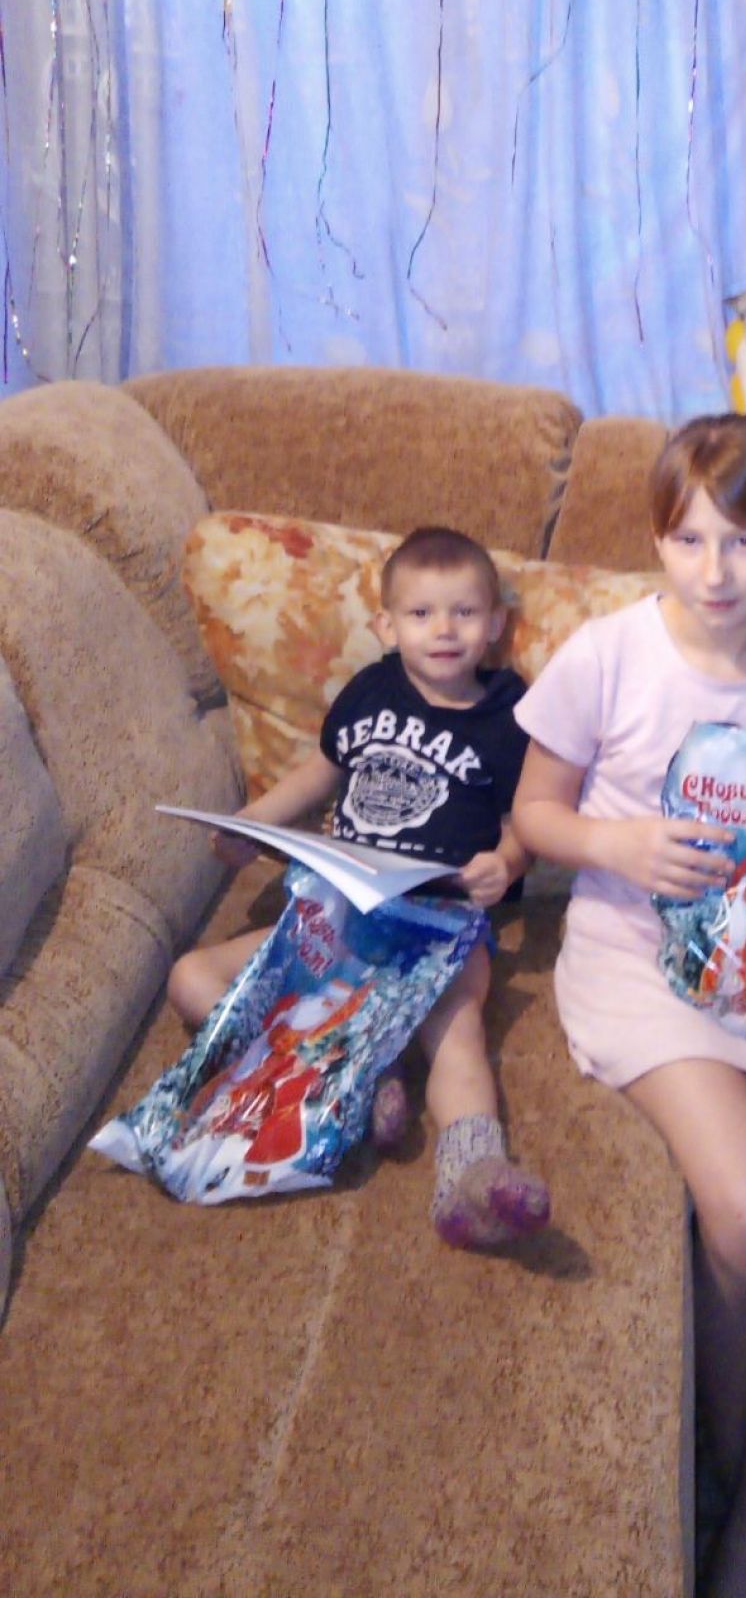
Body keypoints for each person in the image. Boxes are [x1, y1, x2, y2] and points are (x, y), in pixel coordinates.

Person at [509, 413, 746, 1598]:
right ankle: (738, 1463)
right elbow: (535, 813)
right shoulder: (608, 653)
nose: (715, 570)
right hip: (643, 957)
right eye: (689, 539)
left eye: (745, 541)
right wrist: (613, 840)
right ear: (657, 540)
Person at [168, 525, 550, 1251]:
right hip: (337, 914)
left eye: (465, 612)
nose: (444, 629)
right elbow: (321, 773)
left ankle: (474, 1171)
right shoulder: (372, 689)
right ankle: (353, 1072)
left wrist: (506, 863)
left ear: (496, 623)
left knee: (457, 1029)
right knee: (191, 978)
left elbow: (524, 820)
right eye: (422, 613)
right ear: (387, 626)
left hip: (437, 922)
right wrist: (249, 824)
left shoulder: (508, 714)